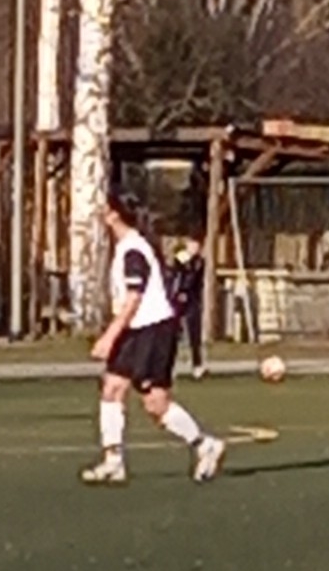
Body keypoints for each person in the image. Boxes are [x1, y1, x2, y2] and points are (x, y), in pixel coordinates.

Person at [82, 194, 229, 486]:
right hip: (135, 329)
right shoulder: (126, 247)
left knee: (155, 403)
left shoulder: (134, 250)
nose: (100, 213)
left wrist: (109, 337)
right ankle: (113, 461)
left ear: (114, 215)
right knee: (112, 388)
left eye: (105, 208)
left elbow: (134, 299)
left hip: (154, 330)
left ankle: (205, 444)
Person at [167, 234, 207, 379]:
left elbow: (196, 280)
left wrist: (190, 294)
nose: (195, 248)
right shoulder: (181, 257)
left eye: (197, 246)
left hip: (193, 300)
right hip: (178, 299)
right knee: (173, 334)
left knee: (195, 333)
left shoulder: (200, 261)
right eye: (192, 245)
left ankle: (197, 365)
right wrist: (179, 293)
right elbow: (177, 274)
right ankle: (169, 366)